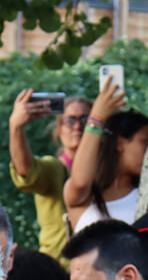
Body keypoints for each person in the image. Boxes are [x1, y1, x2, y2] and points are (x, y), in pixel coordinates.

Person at [9, 90, 91, 263]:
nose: (77, 126)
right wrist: (16, 127)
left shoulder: (106, 171)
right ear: (59, 130)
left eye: (85, 119)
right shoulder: (55, 170)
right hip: (57, 270)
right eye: (70, 120)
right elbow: (25, 170)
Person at [64, 79, 148, 232]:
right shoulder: (85, 196)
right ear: (119, 143)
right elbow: (80, 183)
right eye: (145, 142)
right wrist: (96, 118)